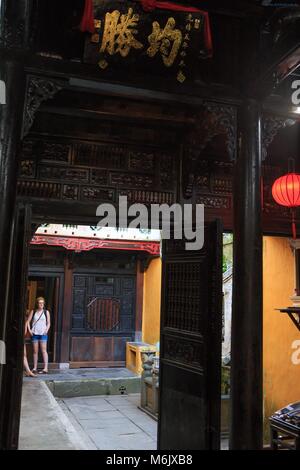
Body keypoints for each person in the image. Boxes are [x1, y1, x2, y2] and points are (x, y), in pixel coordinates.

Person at [27, 297, 51, 375]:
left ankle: (45, 368)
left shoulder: (46, 312)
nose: (41, 304)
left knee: (44, 351)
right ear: (37, 303)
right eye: (40, 303)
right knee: (35, 351)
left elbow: (48, 323)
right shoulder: (33, 311)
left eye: (42, 303)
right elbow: (27, 321)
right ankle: (34, 368)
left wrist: (46, 330)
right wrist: (30, 330)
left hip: (43, 334)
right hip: (35, 333)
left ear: (44, 304)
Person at [24, 311, 36, 377]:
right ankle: (28, 371)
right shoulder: (25, 320)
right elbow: (24, 332)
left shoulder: (25, 320)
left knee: (24, 355)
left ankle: (28, 371)